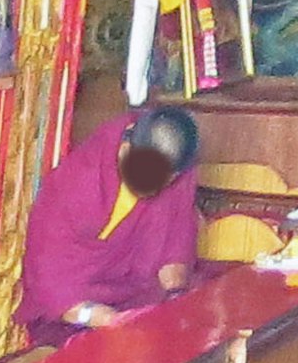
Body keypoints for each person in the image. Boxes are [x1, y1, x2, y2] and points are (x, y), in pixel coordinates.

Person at [19, 104, 204, 342]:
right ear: (126, 147)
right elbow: (47, 278)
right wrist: (101, 318)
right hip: (72, 313)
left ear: (175, 176)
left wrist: (173, 299)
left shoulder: (178, 175)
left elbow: (175, 246)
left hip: (139, 303)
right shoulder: (78, 181)